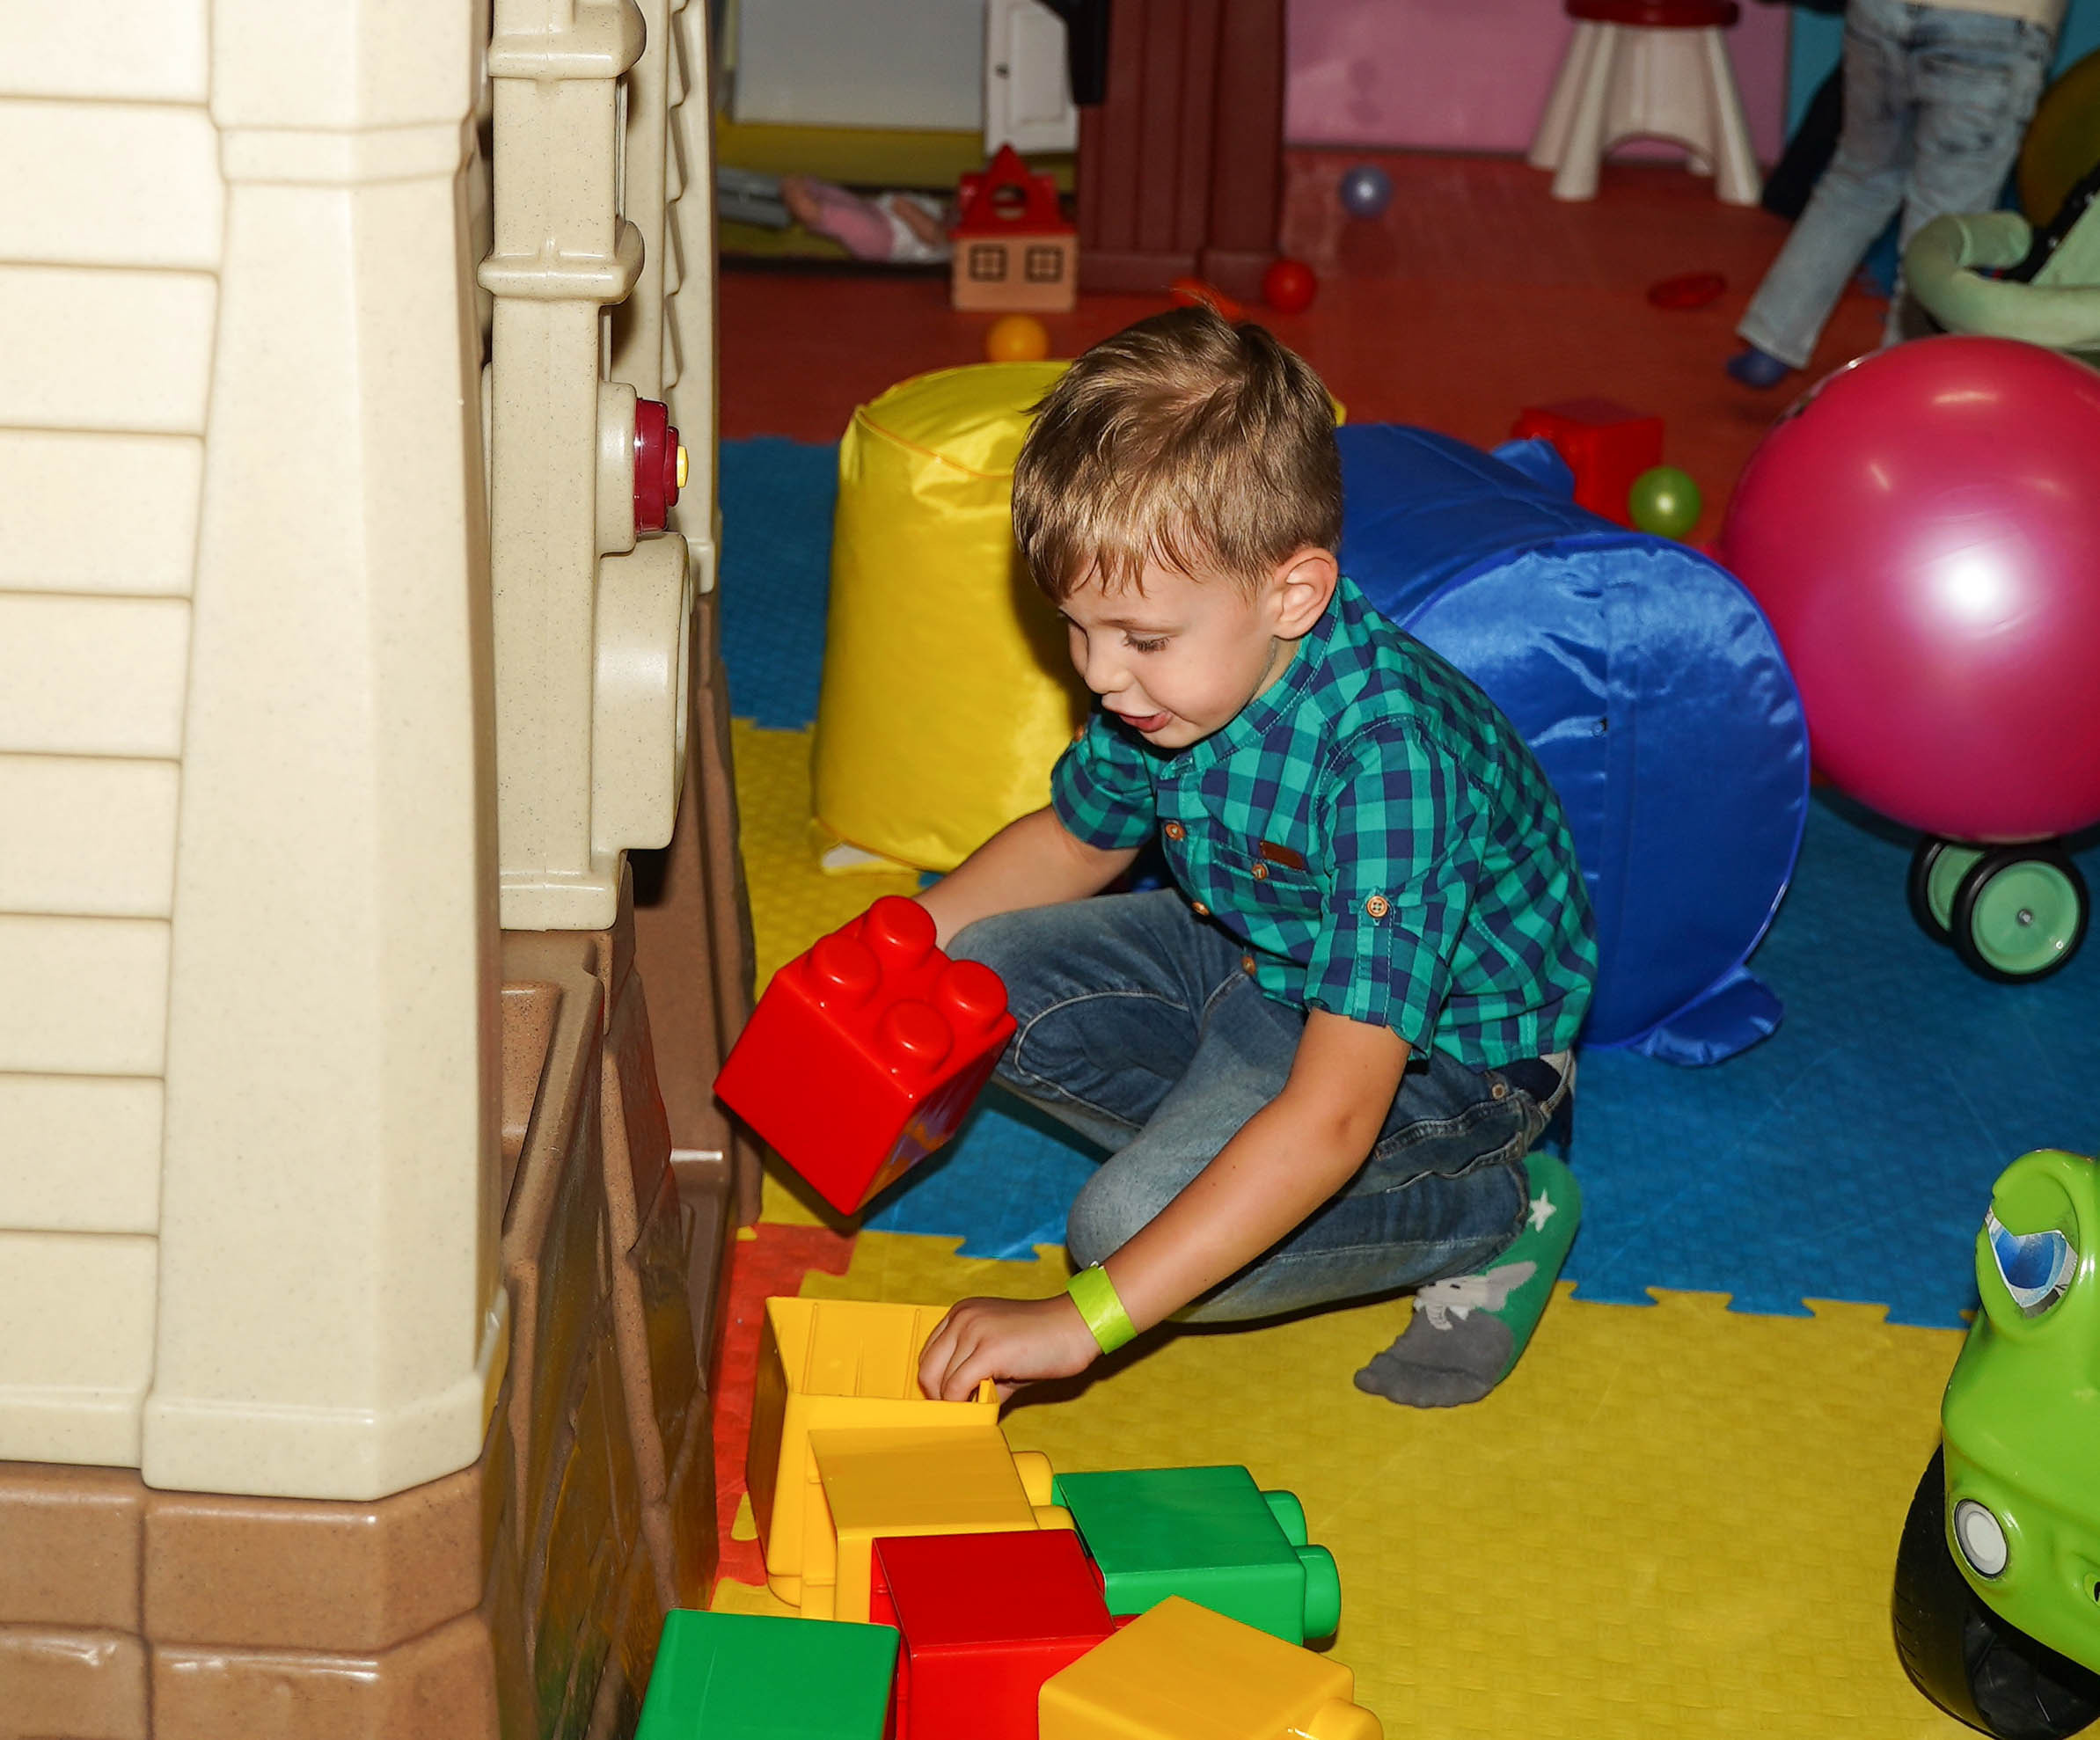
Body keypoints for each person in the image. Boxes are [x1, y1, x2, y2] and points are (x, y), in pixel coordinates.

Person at [910, 307, 1598, 1409]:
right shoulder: (1168, 687)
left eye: (1137, 637)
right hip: (1253, 958)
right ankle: (1228, 1167)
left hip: (1445, 1067)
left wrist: (1081, 1323)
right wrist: (887, 954)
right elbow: (1074, 843)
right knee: (965, 983)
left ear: (1292, 594)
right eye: (1076, 628)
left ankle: (1493, 1209)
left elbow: (1332, 1112)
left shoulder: (1390, 766)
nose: (1097, 674)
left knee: (1117, 1235)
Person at [1730, 0, 2063, 389]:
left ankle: (1771, 340)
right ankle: (1902, 382)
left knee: (1857, 180)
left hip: (1881, 14)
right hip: (1995, 23)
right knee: (1944, 223)